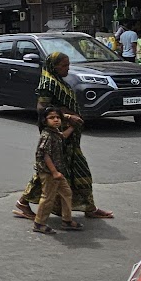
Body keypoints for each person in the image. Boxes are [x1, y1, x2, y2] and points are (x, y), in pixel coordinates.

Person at [14, 50, 113, 220]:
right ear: (54, 67)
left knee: (75, 171)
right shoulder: (47, 84)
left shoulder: (60, 82)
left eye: (68, 65)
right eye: (63, 65)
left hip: (71, 136)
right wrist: (67, 117)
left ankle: (89, 207)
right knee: (52, 172)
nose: (67, 68)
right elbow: (42, 109)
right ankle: (23, 202)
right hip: (58, 137)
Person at [32, 108, 83, 236]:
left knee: (66, 193)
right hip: (49, 172)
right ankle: (39, 223)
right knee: (48, 197)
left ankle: (67, 220)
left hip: (57, 172)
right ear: (45, 121)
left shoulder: (55, 133)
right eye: (52, 118)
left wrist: (72, 127)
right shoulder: (47, 136)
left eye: (58, 117)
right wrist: (54, 172)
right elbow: (45, 155)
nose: (56, 120)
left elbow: (63, 136)